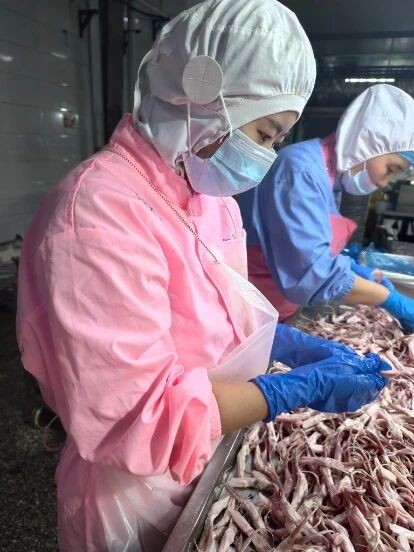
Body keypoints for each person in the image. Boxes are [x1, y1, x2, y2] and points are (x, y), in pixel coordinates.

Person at [16, 1, 390, 550]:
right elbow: (138, 416)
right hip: (130, 494)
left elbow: (216, 320)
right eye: (265, 133)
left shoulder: (211, 200)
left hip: (205, 455)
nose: (267, 155)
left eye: (277, 140)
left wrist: (283, 343)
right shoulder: (96, 212)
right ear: (205, 97)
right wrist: (293, 389)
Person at [238, 84, 414, 330]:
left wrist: (353, 269)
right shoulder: (301, 171)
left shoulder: (329, 176)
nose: (384, 183)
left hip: (277, 306)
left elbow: (316, 247)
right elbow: (311, 271)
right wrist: (389, 299)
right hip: (251, 305)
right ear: (368, 142)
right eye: (391, 169)